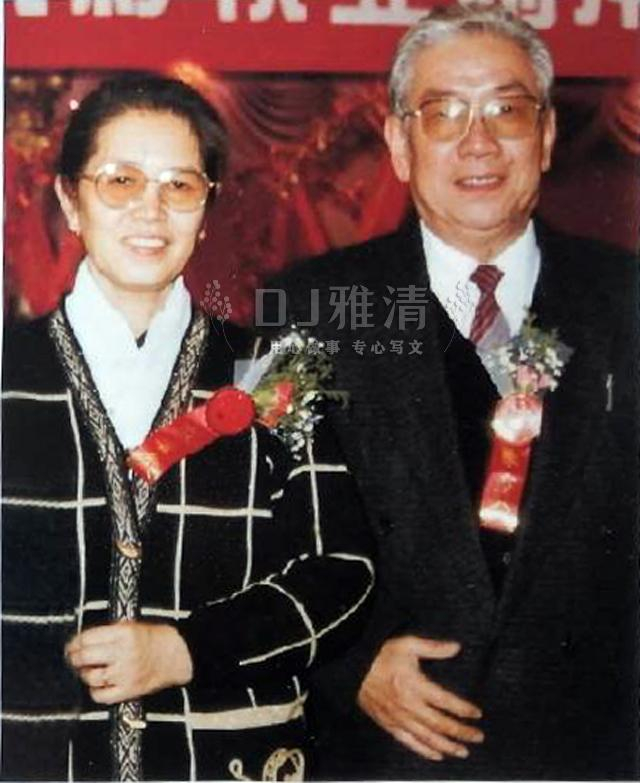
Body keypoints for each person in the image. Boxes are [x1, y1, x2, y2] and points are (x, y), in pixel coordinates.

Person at [265, 2, 639, 779]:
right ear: (400, 144)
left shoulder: (626, 298)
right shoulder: (308, 305)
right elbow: (251, 523)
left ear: (545, 136)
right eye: (444, 113)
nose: (478, 142)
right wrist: (348, 661)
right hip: (382, 756)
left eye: (506, 110)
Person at [1, 75, 374, 782]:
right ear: (70, 200)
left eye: (180, 185)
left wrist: (187, 649)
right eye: (121, 181)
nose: (151, 209)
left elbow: (343, 571)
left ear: (206, 211)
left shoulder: (274, 370)